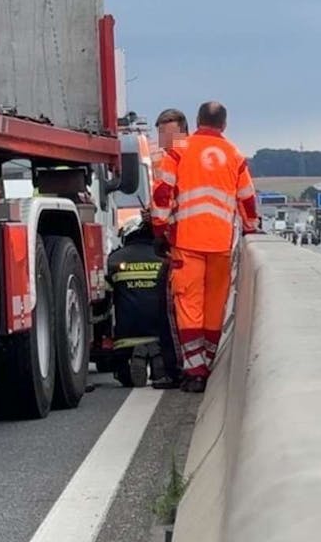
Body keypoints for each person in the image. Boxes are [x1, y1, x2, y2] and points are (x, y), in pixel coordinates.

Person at [158, 101, 260, 393]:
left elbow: (163, 193)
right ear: (224, 125)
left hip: (186, 243)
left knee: (189, 304)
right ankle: (209, 361)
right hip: (221, 245)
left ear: (198, 120)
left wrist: (158, 229)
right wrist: (251, 226)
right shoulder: (235, 154)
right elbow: (247, 200)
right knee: (215, 306)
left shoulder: (179, 149)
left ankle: (195, 370)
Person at [105, 219, 179, 389]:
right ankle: (156, 354)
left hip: (125, 336)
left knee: (125, 379)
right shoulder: (164, 259)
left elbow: (105, 298)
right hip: (160, 333)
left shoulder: (115, 259)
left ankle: (131, 362)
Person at [148, 108, 189, 239]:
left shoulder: (179, 159)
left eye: (169, 136)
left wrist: (159, 230)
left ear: (184, 134)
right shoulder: (164, 161)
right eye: (162, 136)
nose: (165, 142)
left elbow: (163, 195)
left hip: (182, 233)